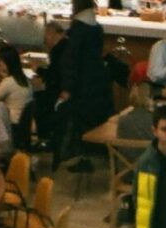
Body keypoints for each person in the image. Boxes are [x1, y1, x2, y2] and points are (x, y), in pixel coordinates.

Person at [59, 0, 114, 163]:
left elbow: (71, 62)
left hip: (81, 83)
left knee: (79, 119)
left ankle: (80, 154)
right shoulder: (97, 28)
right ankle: (95, 150)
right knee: (94, 120)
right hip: (97, 80)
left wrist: (67, 87)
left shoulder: (77, 30)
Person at [34, 18, 68, 145]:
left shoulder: (57, 50)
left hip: (59, 90)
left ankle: (45, 138)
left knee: (38, 101)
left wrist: (38, 70)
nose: (46, 39)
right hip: (65, 87)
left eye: (47, 35)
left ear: (53, 34)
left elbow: (54, 75)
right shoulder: (66, 46)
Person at [0, 44, 33, 140]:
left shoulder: (9, 82)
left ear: (7, 62)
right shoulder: (25, 80)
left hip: (12, 124)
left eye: (0, 61)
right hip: (23, 123)